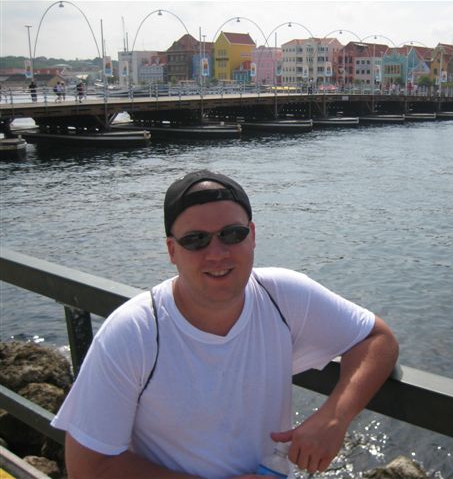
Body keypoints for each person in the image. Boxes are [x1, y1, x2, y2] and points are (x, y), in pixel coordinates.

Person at [52, 170, 399, 479]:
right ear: (172, 251)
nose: (217, 253)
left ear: (252, 235)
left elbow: (377, 339)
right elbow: (87, 467)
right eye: (195, 240)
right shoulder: (135, 332)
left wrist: (334, 417)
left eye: (232, 234)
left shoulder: (283, 296)